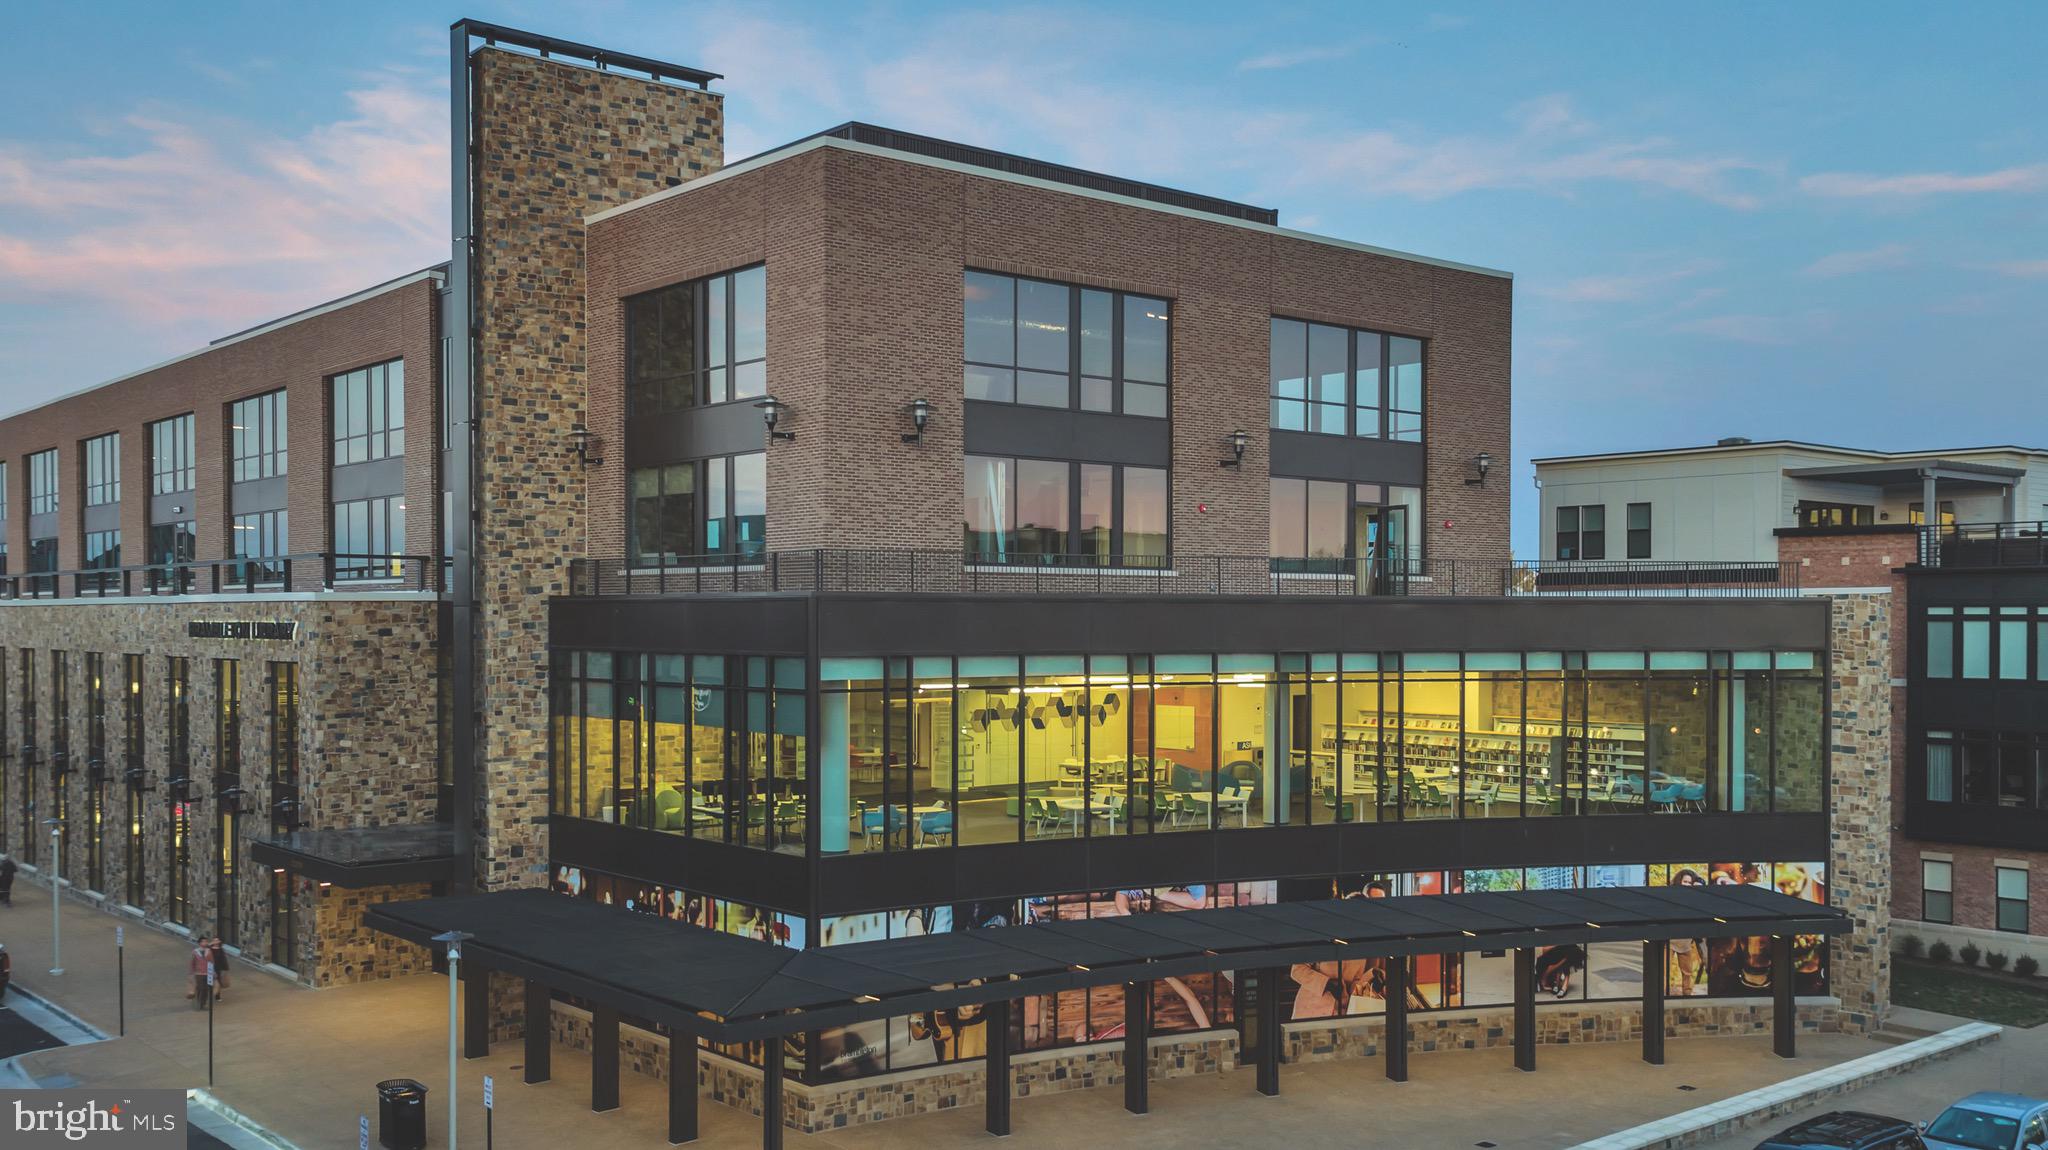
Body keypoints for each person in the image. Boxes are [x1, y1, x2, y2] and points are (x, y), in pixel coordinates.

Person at [187, 942, 212, 1009]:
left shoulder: (209, 952)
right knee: (200, 988)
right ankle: (199, 1001)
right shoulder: (195, 952)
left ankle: (203, 1003)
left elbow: (211, 962)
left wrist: (212, 972)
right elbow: (192, 963)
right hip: (199, 973)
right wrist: (191, 972)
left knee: (206, 989)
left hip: (207, 973)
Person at [207, 937, 231, 1002]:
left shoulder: (221, 949)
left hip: (219, 968)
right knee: (212, 982)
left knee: (218, 983)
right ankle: (210, 994)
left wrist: (226, 968)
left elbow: (224, 959)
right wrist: (210, 944)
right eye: (214, 940)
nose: (216, 941)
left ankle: (217, 996)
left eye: (217, 940)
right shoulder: (210, 949)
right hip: (211, 968)